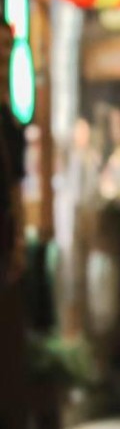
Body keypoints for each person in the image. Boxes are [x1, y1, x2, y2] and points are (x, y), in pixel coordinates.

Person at [0, 21, 26, 288]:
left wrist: (19, 239)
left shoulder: (10, 119)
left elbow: (16, 183)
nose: (4, 53)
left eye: (8, 45)